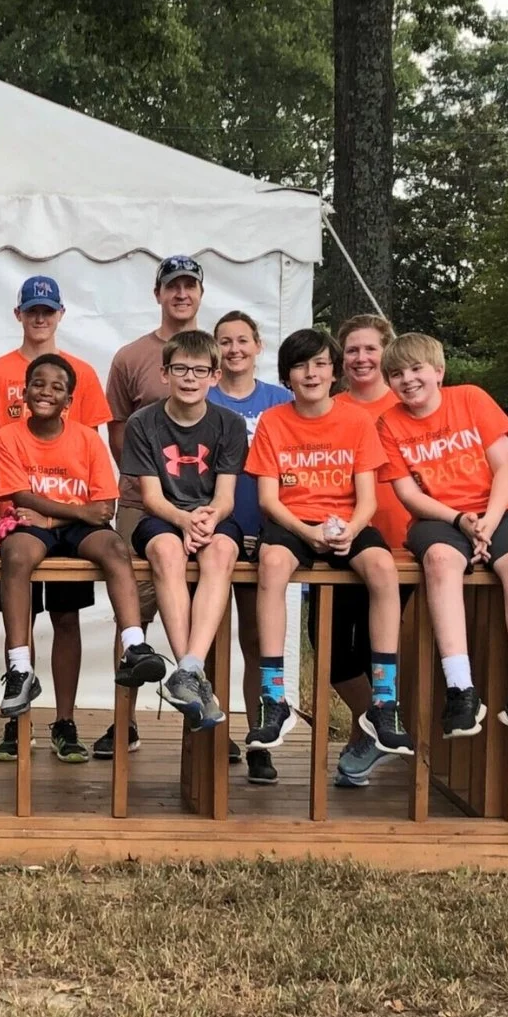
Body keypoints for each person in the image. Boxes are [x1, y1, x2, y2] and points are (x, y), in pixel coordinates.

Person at [243, 328, 412, 785]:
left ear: (333, 371)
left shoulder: (356, 421)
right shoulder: (274, 421)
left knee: (381, 567)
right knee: (273, 564)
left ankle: (384, 700)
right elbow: (268, 499)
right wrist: (307, 533)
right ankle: (273, 697)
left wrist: (351, 530)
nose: (311, 372)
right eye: (301, 365)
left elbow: (367, 497)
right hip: (295, 521)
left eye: (319, 363)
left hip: (347, 522)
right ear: (288, 375)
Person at [378, 333, 508, 744]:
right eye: (397, 374)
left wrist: (487, 520)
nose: (408, 380)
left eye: (417, 369)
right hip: (437, 516)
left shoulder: (470, 398)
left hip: (497, 508)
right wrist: (460, 520)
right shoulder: (390, 422)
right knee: (440, 561)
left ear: (438, 371)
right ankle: (460, 689)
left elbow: (506, 466)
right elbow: (409, 495)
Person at [0, 276, 112, 762]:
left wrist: (82, 515)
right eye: (32, 310)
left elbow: (86, 444)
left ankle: (65, 720)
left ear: (60, 315)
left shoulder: (84, 372)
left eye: (48, 311)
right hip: (19, 518)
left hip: (68, 517)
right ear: (18, 314)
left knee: (65, 616)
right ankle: (18, 724)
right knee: (21, 617)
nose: (40, 318)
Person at [0, 353, 166, 728]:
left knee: (114, 547)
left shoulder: (87, 439)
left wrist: (54, 516)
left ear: (69, 402)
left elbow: (103, 508)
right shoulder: (8, 436)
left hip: (68, 525)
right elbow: (20, 495)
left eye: (58, 387)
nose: (46, 392)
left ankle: (134, 645)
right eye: (38, 384)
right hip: (38, 524)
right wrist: (77, 511)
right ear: (24, 392)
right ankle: (20, 669)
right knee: (16, 553)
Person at [101, 254, 205, 757]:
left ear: (200, 294)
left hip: (203, 507)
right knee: (132, 613)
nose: (181, 294)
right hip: (141, 503)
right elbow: (117, 430)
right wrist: (150, 484)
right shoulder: (130, 356)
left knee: (209, 611)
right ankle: (123, 723)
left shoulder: (214, 351)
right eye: (173, 286)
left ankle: (204, 722)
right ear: (158, 293)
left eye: (190, 286)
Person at [119, 331, 247, 731]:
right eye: (180, 369)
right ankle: (190, 673)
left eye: (199, 370)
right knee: (167, 552)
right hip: (164, 515)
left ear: (215, 375)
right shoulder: (143, 422)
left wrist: (206, 519)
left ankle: (189, 669)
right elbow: (151, 498)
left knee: (222, 554)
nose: (189, 378)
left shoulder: (230, 423)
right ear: (164, 373)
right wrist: (183, 520)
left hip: (211, 513)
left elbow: (226, 495)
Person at [329, 313, 415, 787]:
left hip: (400, 544)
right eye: (352, 351)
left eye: (370, 349)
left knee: (381, 653)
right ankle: (380, 729)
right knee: (334, 656)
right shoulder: (329, 404)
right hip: (342, 544)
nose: (361, 358)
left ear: (387, 351)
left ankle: (372, 736)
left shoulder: (406, 402)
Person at [209, 311, 290, 758]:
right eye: (225, 341)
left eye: (243, 340)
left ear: (258, 345)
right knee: (211, 638)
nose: (235, 349)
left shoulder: (282, 400)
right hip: (219, 528)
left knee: (257, 638)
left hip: (270, 528)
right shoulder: (204, 397)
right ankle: (213, 736)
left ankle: (260, 738)